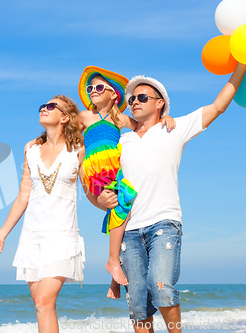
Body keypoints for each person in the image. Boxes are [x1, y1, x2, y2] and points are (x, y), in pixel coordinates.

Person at [96, 63, 246, 333]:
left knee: (162, 287)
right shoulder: (123, 140)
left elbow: (217, 107)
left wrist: (242, 65)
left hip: (163, 223)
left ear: (160, 104)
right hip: (129, 229)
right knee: (137, 304)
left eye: (142, 97)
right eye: (131, 99)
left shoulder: (174, 129)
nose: (134, 102)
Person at [0, 95, 86, 333]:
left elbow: (89, 190)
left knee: (44, 301)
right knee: (40, 305)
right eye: (42, 106)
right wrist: (2, 234)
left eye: (51, 106)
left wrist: (108, 204)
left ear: (65, 117)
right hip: (33, 237)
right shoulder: (31, 152)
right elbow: (23, 196)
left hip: (62, 236)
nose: (44, 108)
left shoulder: (78, 150)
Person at [77, 66, 176, 299]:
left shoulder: (119, 118)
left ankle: (114, 275)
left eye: (99, 87)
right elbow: (63, 135)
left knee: (123, 206)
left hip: (115, 165)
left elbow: (144, 127)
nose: (93, 91)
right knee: (123, 204)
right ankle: (112, 263)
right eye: (90, 88)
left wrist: (166, 118)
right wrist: (37, 140)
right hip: (96, 168)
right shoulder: (83, 116)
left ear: (114, 95)